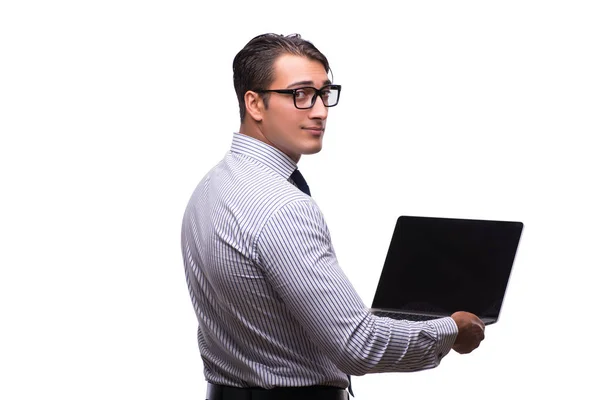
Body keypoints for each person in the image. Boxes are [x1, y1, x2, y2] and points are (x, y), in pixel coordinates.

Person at [181, 33, 485, 400]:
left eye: (324, 93)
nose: (320, 110)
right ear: (255, 104)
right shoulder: (284, 208)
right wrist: (450, 330)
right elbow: (357, 345)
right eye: (300, 94)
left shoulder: (211, 186)